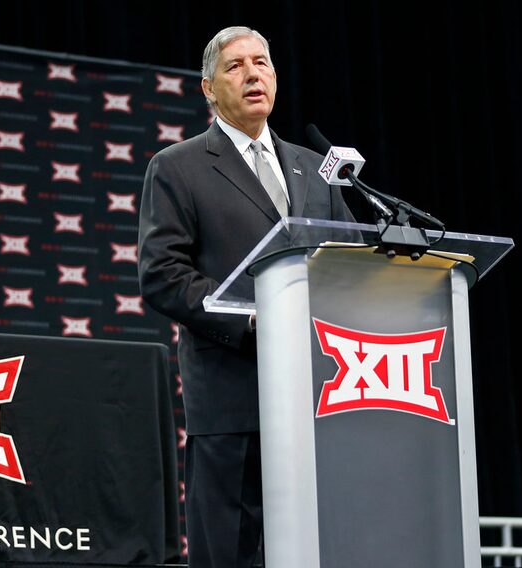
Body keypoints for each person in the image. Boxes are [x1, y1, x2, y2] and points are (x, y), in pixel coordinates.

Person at [137, 26, 356, 567]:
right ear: (209, 89)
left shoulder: (315, 168)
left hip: (322, 396)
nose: (253, 73)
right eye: (235, 66)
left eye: (262, 63)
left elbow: (352, 260)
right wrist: (257, 321)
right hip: (233, 396)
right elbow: (163, 274)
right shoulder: (178, 166)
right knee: (228, 553)